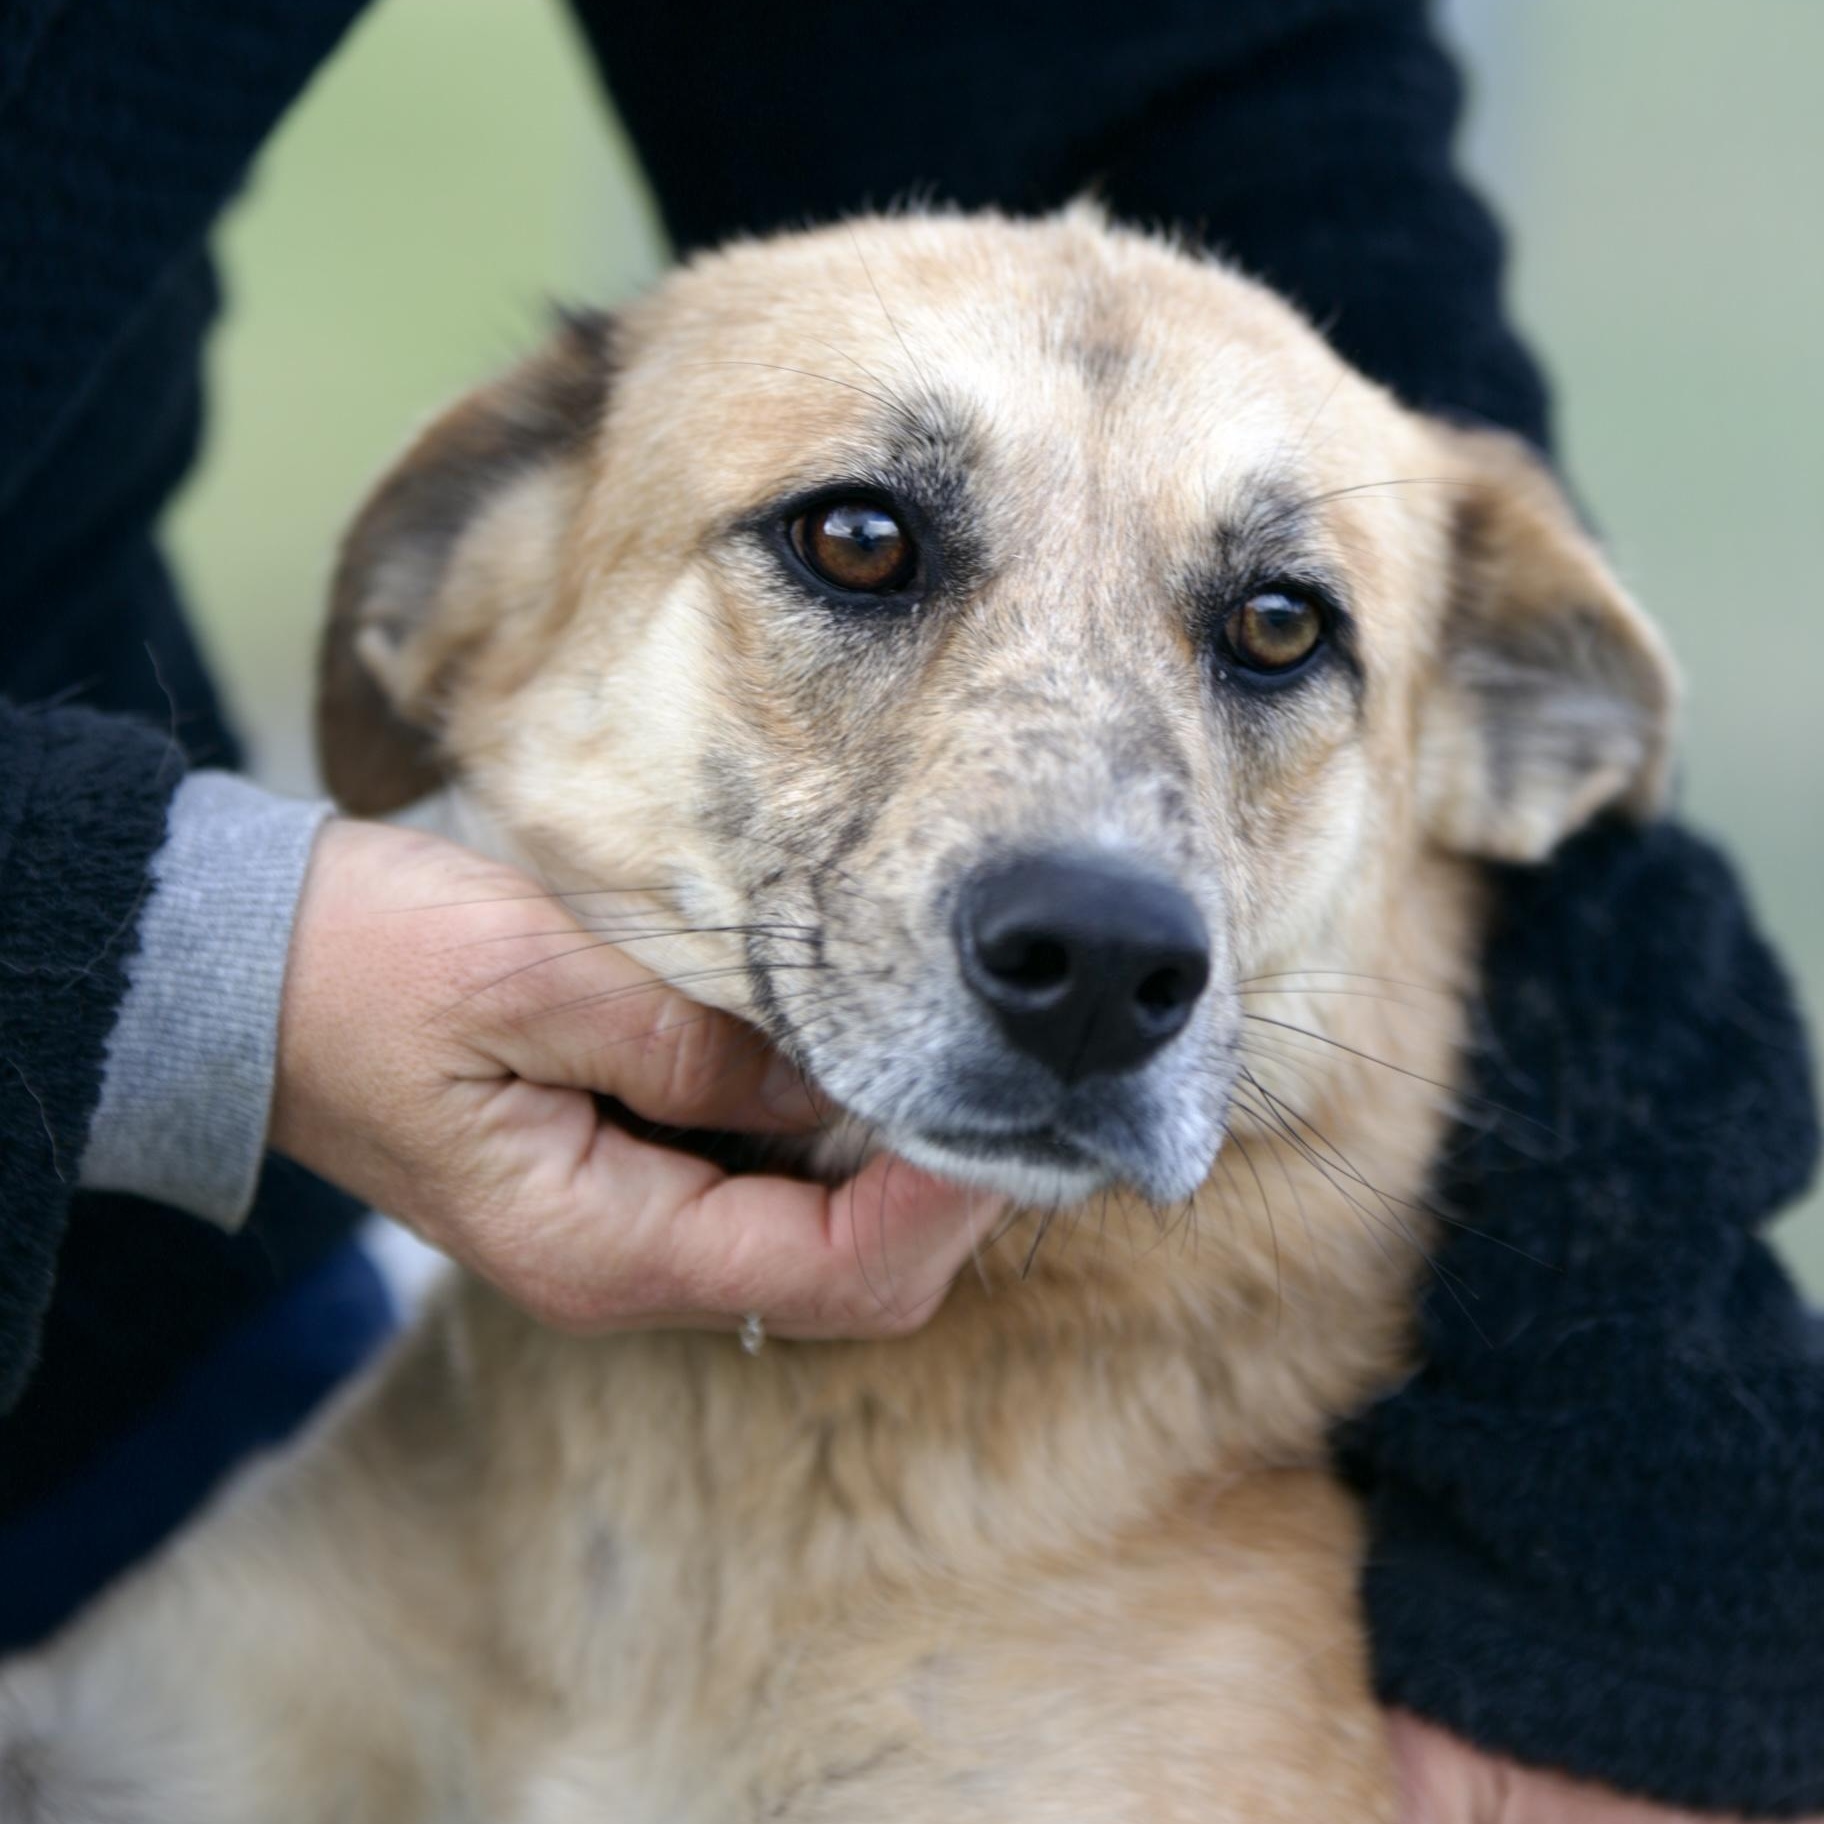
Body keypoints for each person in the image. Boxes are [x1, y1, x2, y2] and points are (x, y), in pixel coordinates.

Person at [1, 1, 1818, 1817]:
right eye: (859, 547)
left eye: (1274, 632)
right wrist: (192, 953)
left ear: (1481, 756)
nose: (1105, 889)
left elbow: (1183, 67)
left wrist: (1664, 1416)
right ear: (468, 597)